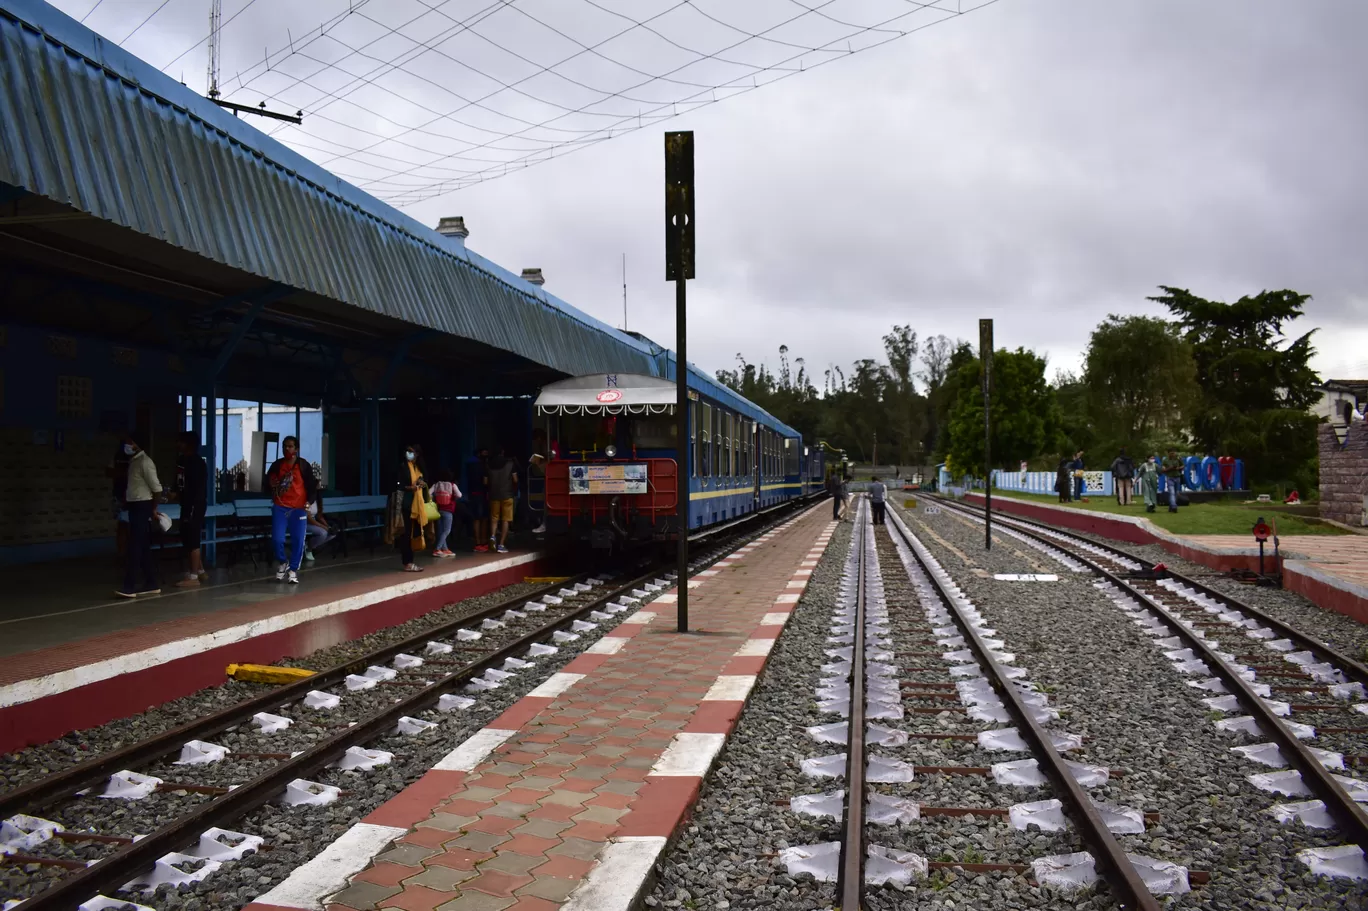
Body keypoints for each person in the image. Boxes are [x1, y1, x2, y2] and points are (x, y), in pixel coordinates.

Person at [115, 434, 165, 598]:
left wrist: (153, 508)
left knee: (135, 547)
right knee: (142, 546)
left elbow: (157, 489)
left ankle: (129, 586)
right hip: (134, 506)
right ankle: (151, 582)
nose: (127, 445)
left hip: (142, 506)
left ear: (138, 444)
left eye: (130, 442)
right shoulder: (134, 461)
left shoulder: (145, 462)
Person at [266, 436, 316, 584]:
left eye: (290, 446)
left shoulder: (303, 465)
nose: (287, 449)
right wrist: (270, 483)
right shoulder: (277, 465)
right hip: (280, 506)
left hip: (298, 508)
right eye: (285, 446)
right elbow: (268, 481)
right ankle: (283, 561)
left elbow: (312, 486)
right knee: (277, 539)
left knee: (298, 540)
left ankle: (293, 570)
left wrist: (309, 502)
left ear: (296, 449)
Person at [173, 432, 209, 587]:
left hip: (195, 503)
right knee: (185, 534)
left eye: (180, 442)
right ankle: (200, 571)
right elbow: (179, 482)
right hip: (185, 504)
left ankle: (193, 577)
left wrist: (188, 498)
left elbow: (195, 487)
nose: (177, 445)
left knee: (193, 537)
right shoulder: (181, 461)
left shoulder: (197, 462)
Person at [396, 443, 431, 571]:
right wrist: (411, 488)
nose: (408, 454)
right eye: (407, 451)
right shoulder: (403, 467)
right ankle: (408, 562)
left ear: (417, 454)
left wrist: (421, 482)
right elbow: (399, 485)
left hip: (417, 504)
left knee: (414, 533)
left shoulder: (418, 468)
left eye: (411, 452)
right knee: (406, 534)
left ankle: (411, 560)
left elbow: (424, 479)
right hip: (406, 504)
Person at [485, 447, 518, 554]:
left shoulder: (488, 464)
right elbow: (515, 479)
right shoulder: (510, 464)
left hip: (494, 495)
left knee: (494, 518)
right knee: (505, 520)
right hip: (507, 495)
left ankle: (493, 536)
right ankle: (501, 544)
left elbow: (485, 482)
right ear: (502, 452)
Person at [429, 469, 463, 557]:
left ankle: (445, 549)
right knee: (447, 530)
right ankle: (437, 549)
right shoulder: (452, 485)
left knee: (440, 531)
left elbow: (428, 493)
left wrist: (434, 497)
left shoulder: (436, 485)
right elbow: (459, 495)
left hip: (438, 510)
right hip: (448, 511)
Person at [465, 447, 490, 552]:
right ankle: (483, 542)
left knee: (476, 519)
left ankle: (477, 542)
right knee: (483, 518)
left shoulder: (469, 465)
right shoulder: (483, 465)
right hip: (482, 494)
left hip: (472, 494)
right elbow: (485, 482)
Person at [304, 494, 335, 562]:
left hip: (314, 523)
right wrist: (323, 527)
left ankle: (310, 545)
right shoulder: (306, 501)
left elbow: (319, 516)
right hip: (305, 523)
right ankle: (309, 548)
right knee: (323, 533)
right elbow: (308, 518)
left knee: (332, 533)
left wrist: (328, 526)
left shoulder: (317, 500)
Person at [1161, 449, 1184, 513]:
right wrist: (1170, 468)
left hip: (1177, 477)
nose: (1173, 454)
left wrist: (1178, 468)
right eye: (1171, 453)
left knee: (1176, 493)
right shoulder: (1165, 460)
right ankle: (1174, 506)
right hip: (1170, 478)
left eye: (1174, 453)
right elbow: (1163, 470)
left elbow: (1183, 466)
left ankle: (1171, 507)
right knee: (1172, 492)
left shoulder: (1178, 459)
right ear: (1168, 454)